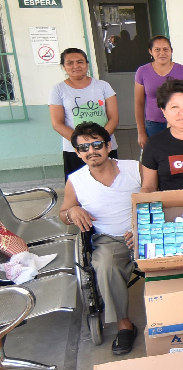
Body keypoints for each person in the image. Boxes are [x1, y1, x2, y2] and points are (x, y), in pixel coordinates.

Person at [59, 123, 141, 355]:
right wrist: (71, 211)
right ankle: (124, 325)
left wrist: (140, 227)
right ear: (77, 152)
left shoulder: (134, 168)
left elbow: (155, 196)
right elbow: (63, 214)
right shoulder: (76, 181)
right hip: (109, 240)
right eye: (83, 147)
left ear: (108, 146)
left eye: (96, 144)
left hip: (144, 231)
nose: (91, 151)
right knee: (104, 265)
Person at [49, 48, 119, 180]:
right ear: (63, 67)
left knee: (110, 182)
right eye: (70, 63)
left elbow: (113, 118)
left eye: (80, 62)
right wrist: (82, 143)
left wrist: (99, 142)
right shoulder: (58, 90)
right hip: (75, 149)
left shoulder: (103, 86)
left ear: (87, 64)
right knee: (79, 188)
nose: (76, 66)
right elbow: (57, 123)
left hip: (105, 145)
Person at [134, 36, 183, 148]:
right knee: (158, 158)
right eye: (157, 49)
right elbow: (139, 104)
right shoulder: (142, 71)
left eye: (166, 49)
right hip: (154, 125)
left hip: (179, 122)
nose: (162, 53)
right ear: (150, 51)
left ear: (171, 51)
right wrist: (141, 132)